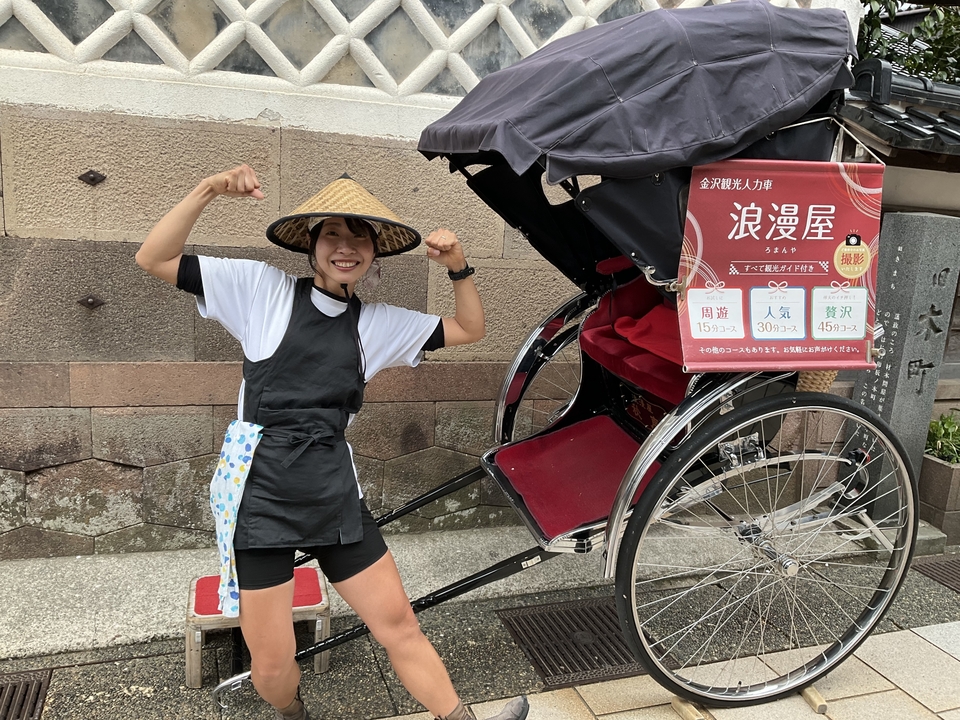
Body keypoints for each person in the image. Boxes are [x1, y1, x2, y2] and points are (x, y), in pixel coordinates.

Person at [136, 164, 528, 720]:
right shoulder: (260, 290)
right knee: (272, 667)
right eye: (333, 235)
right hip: (261, 497)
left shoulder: (377, 324)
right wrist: (207, 190)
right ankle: (295, 713)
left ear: (374, 253)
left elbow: (469, 329)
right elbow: (153, 257)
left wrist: (460, 268)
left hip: (332, 494)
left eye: (359, 237)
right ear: (313, 244)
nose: (346, 247)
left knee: (399, 626)